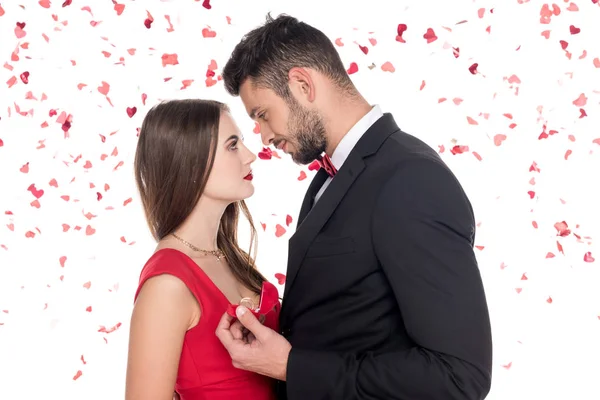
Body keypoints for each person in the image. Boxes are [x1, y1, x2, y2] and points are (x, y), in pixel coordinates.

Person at [215, 14, 493, 400]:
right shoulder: (327, 178)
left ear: (302, 84)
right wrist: (270, 338)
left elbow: (459, 377)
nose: (262, 137)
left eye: (262, 114)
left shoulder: (410, 179)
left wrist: (290, 366)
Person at [125, 99, 279, 400]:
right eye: (232, 146)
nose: (250, 156)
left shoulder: (229, 256)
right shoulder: (168, 285)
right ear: (190, 161)